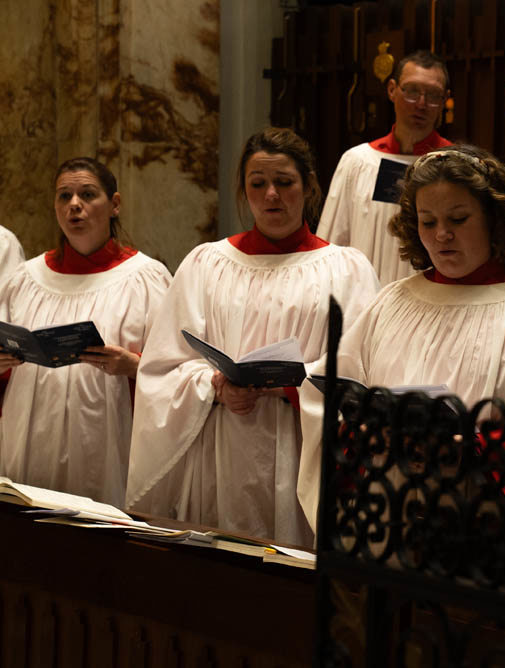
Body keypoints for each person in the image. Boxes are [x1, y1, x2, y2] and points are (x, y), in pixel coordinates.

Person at [297, 145, 505, 532]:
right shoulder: (392, 302)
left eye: (458, 218)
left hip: (483, 530)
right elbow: (328, 394)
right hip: (391, 521)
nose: (441, 235)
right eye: (427, 221)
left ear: (495, 219)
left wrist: (469, 448)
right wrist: (362, 432)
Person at [127, 128, 380, 545]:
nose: (271, 196)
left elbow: (363, 367)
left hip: (300, 448)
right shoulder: (207, 264)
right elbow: (162, 366)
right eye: (258, 184)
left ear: (309, 186)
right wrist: (214, 386)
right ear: (243, 191)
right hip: (220, 449)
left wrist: (292, 389)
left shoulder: (347, 270)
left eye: (285, 183)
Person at [0, 157, 171, 507]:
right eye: (64, 196)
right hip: (29, 439)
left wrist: (135, 366)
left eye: (87, 194)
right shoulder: (25, 279)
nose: (74, 206)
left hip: (107, 440)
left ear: (115, 205)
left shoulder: (146, 279)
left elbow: (177, 369)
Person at [316, 50, 452, 284]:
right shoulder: (357, 162)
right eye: (411, 91)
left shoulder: (456, 166)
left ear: (444, 101)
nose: (421, 104)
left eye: (433, 95)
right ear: (392, 90)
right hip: (363, 302)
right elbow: (332, 246)